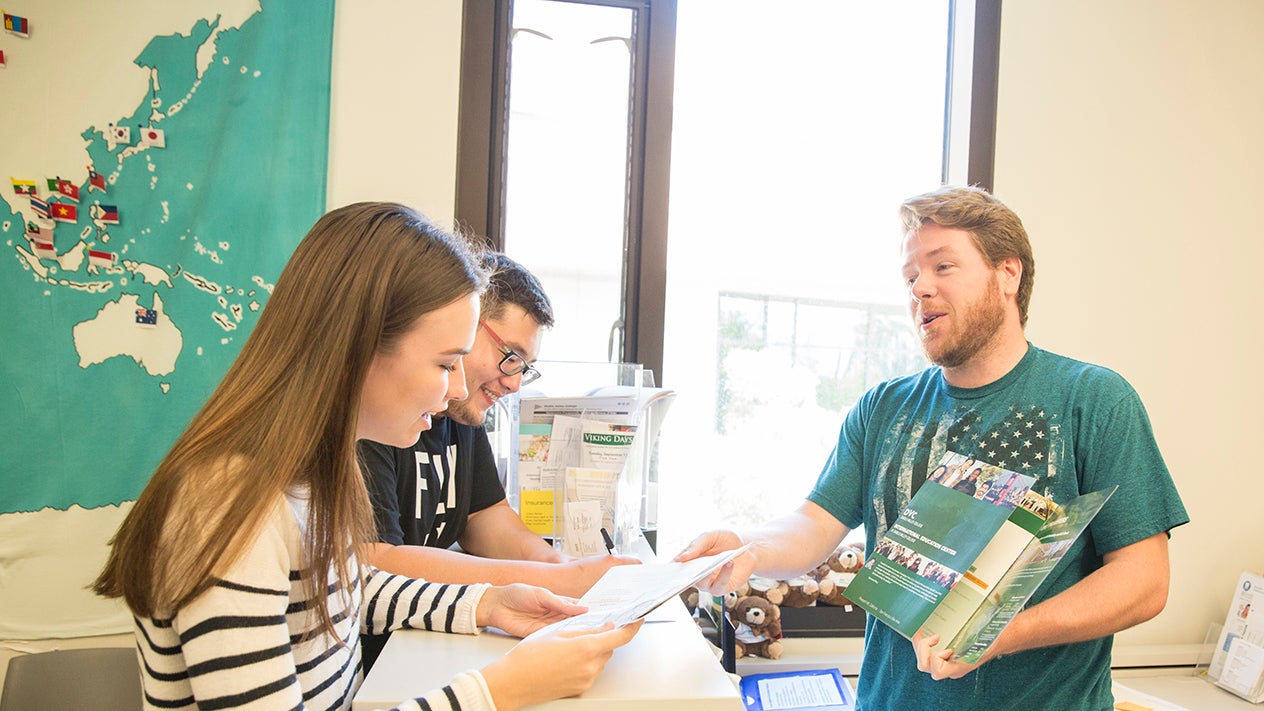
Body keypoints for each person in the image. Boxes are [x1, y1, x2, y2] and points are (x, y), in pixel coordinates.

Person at [93, 202, 640, 711]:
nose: (454, 392)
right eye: (445, 364)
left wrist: (488, 603)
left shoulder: (312, 475)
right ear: (359, 347)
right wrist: (501, 690)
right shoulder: (225, 506)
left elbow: (346, 589)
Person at [676, 185, 1188, 710]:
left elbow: (1143, 581)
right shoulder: (883, 407)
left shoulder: (1093, 400)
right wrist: (748, 546)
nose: (920, 288)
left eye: (943, 267)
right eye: (910, 276)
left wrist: (995, 635)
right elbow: (813, 526)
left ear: (1007, 274)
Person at [359, 254, 637, 598]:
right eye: (510, 358)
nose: (515, 384)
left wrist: (558, 564)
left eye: (524, 367)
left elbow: (483, 516)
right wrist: (554, 580)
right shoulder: (378, 418)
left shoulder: (461, 412)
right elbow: (376, 562)